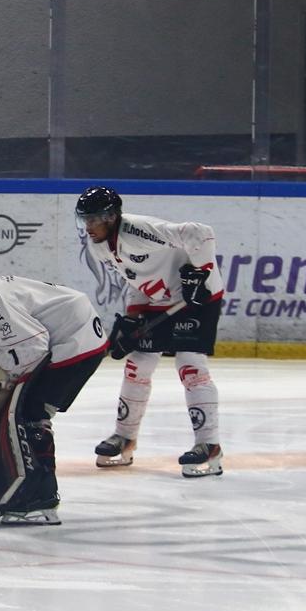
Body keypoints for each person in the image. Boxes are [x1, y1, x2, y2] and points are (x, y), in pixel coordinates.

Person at [0, 242, 108, 525]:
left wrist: (1, 384)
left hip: (76, 339)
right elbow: (1, 348)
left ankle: (40, 495)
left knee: (28, 411)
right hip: (68, 338)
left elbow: (34, 346)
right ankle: (5, 474)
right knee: (11, 405)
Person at [76, 186, 225, 477]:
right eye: (85, 220)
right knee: (137, 365)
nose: (88, 227)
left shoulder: (137, 230)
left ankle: (209, 445)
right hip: (157, 300)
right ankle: (124, 437)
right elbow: (135, 280)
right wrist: (132, 318)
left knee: (190, 366)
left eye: (93, 219)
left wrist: (200, 275)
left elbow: (200, 233)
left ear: (110, 217)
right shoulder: (98, 245)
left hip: (197, 299)